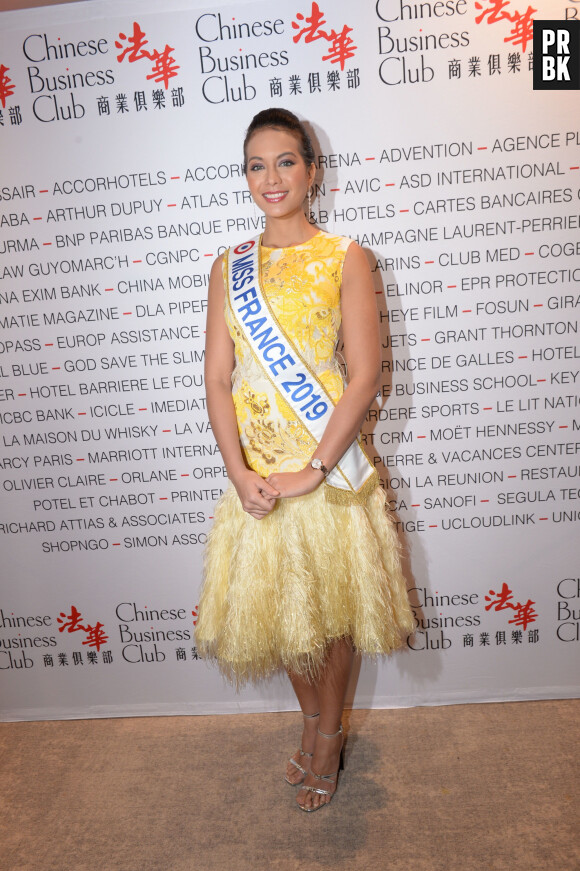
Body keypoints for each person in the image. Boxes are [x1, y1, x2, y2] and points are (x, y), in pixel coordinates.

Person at [195, 108, 415, 812]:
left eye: (286, 161)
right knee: (283, 619)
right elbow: (216, 377)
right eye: (257, 164)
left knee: (333, 617)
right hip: (258, 475)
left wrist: (313, 468)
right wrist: (239, 471)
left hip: (325, 473)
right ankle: (317, 720)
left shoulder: (346, 256)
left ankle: (328, 735)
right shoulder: (229, 268)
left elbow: (364, 376)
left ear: (314, 169)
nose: (271, 178)